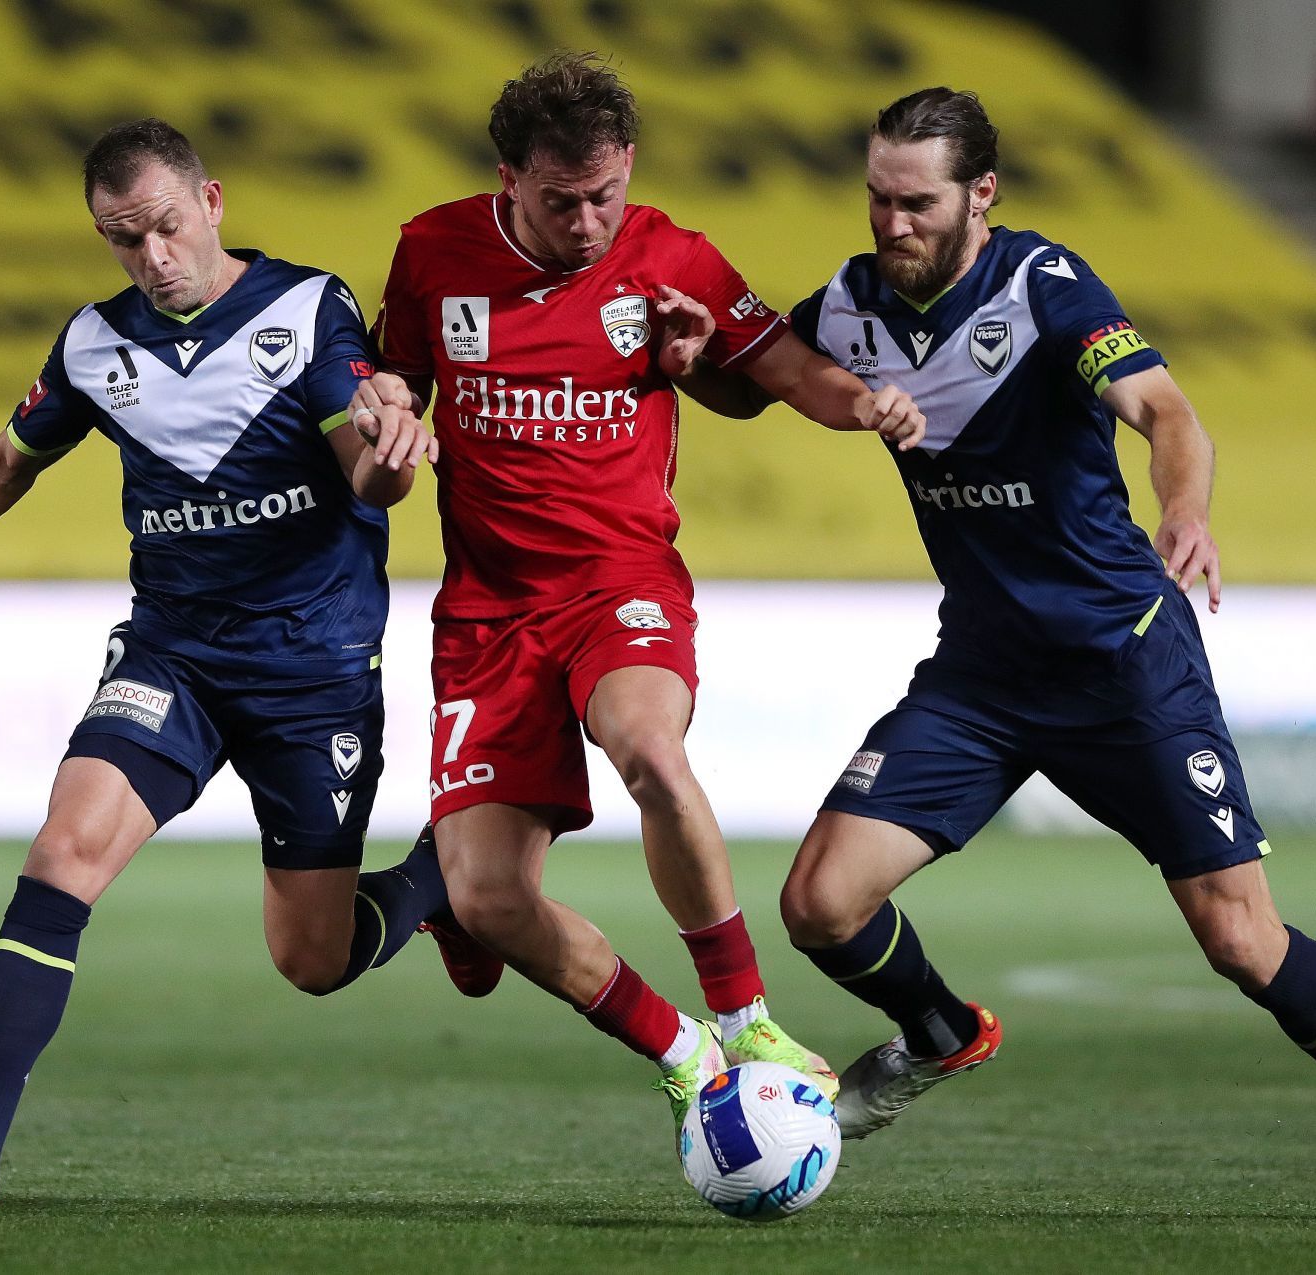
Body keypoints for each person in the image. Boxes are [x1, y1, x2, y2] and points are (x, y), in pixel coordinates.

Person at [680, 87, 1316, 1224]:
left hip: (1125, 667)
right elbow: (755, 387)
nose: (890, 223)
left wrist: (1187, 510)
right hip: (983, 680)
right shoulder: (852, 305)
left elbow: (1166, 412)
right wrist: (697, 357)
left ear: (981, 197)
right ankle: (942, 1036)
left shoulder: (1043, 288)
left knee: (1242, 942)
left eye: (916, 203)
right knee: (819, 903)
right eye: (877, 198)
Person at [0, 119, 448, 1220]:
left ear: (215, 202)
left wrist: (388, 459)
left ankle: (445, 881)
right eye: (122, 238)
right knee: (65, 851)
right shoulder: (96, 345)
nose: (152, 256)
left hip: (311, 668)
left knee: (313, 960)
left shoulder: (305, 308)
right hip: (174, 655)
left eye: (166, 226)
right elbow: (9, 460)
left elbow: (365, 470)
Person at [352, 53, 926, 1131]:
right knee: (484, 896)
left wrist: (868, 406)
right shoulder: (432, 251)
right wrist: (391, 410)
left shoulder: (676, 257)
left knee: (651, 750)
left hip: (621, 583)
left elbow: (786, 369)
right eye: (561, 202)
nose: (587, 224)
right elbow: (399, 377)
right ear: (509, 176)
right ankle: (680, 1053)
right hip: (487, 612)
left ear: (629, 169)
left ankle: (744, 1018)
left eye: (604, 196)